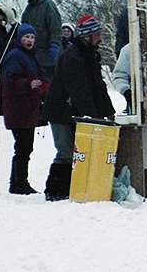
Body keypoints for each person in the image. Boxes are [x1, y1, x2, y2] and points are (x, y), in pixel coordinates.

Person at [41, 15, 115, 202]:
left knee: (75, 150)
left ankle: (70, 188)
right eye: (97, 34)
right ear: (87, 36)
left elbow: (98, 87)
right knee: (65, 151)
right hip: (61, 110)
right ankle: (55, 190)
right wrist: (93, 116)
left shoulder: (89, 55)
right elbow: (79, 90)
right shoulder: (72, 57)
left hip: (73, 111)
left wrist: (108, 111)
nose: (100, 38)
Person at [1, 23, 50, 194]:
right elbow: (9, 81)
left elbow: (40, 76)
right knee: (23, 146)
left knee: (25, 146)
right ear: (19, 38)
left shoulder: (30, 56)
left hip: (27, 109)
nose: (29, 40)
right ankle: (19, 184)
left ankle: (18, 182)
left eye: (32, 37)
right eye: (26, 37)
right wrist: (28, 84)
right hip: (18, 110)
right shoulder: (15, 56)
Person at [21, 0, 62, 78]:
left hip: (46, 57)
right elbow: (23, 25)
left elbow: (55, 29)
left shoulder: (48, 6)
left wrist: (54, 45)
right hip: (32, 55)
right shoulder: (29, 8)